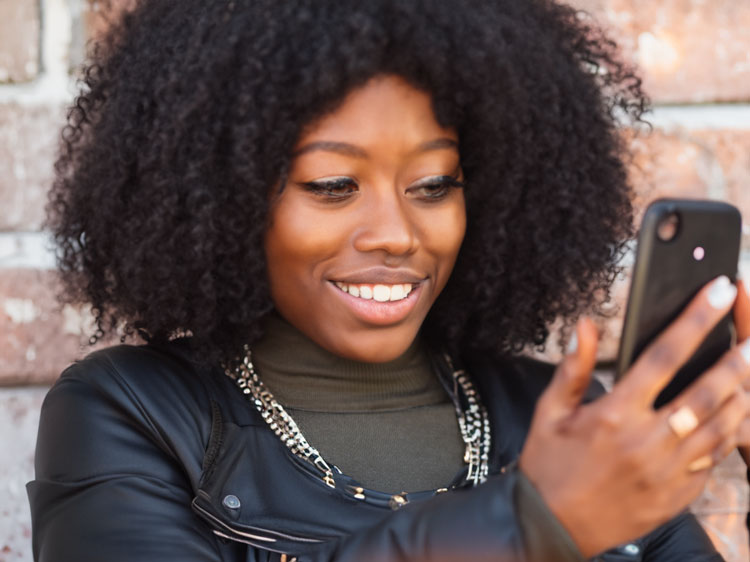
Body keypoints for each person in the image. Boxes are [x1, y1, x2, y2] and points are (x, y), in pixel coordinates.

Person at [27, 0, 750, 561]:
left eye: (434, 185)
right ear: (220, 195)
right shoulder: (132, 415)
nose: (398, 234)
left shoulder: (563, 419)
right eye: (334, 184)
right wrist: (530, 523)